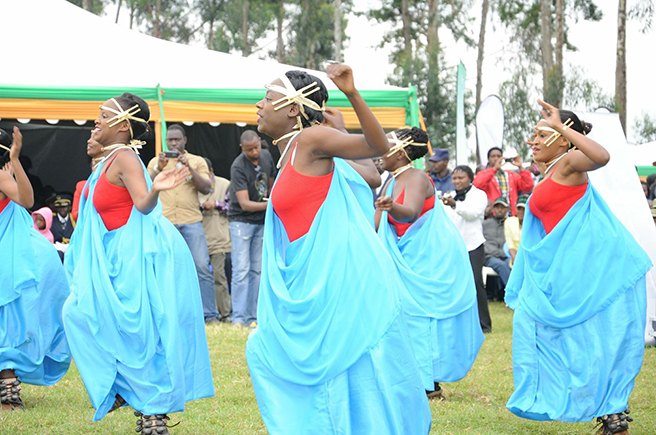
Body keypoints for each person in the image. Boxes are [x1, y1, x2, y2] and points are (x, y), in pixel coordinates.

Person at [246, 65, 431, 434]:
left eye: (268, 98)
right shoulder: (290, 155)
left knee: (340, 365)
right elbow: (369, 176)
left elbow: (377, 150)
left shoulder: (312, 140)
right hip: (307, 280)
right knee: (277, 356)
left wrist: (352, 93)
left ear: (294, 109)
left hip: (333, 280)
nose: (259, 105)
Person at [63, 93, 214, 432]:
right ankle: (123, 387)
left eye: (104, 115)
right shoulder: (108, 160)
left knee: (142, 330)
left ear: (123, 124)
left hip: (139, 253)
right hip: (118, 254)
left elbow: (143, 206)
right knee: (79, 313)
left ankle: (151, 410)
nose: (97, 120)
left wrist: (157, 188)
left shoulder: (126, 158)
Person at [505, 100, 651, 435]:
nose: (533, 140)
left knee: (595, 340)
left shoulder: (571, 163)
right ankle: (607, 412)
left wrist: (561, 126)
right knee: (568, 337)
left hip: (597, 270)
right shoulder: (551, 172)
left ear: (563, 139)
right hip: (569, 271)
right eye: (535, 134)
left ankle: (614, 416)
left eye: (543, 134)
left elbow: (601, 157)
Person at [375, 127, 484, 399]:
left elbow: (409, 213)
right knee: (400, 316)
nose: (379, 149)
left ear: (400, 152)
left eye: (385, 144)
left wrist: (390, 207)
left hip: (426, 258)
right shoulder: (389, 180)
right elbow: (378, 224)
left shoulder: (417, 178)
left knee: (419, 319)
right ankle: (407, 377)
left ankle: (428, 385)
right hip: (402, 256)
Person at [0, 127, 70, 411]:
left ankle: (8, 388)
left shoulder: (2, 175)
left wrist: (15, 162)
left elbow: (27, 201)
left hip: (10, 253)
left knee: (9, 319)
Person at [147, 124, 219, 323]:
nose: (173, 143)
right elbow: (144, 186)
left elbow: (206, 188)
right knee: (164, 268)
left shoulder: (196, 161)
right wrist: (157, 169)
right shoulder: (156, 161)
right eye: (170, 140)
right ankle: (167, 314)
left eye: (177, 140)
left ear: (185, 140)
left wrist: (189, 168)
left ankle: (209, 314)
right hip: (165, 222)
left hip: (191, 221)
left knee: (201, 267)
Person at [227, 130, 276, 328]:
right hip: (241, 221)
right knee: (241, 270)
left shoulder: (266, 156)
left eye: (256, 147)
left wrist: (272, 198)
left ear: (260, 143)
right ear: (242, 148)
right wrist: (273, 204)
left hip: (261, 221)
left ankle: (254, 316)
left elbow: (272, 182)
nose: (254, 152)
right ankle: (238, 317)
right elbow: (245, 203)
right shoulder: (238, 166)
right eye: (249, 150)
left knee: (257, 270)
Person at [444, 164, 491, 333]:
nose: (457, 181)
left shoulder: (479, 195)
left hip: (473, 245)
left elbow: (472, 214)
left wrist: (454, 205)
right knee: (455, 283)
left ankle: (484, 324)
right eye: (454, 178)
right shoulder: (450, 196)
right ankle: (460, 322)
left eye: (461, 178)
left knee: (476, 283)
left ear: (470, 179)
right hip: (455, 246)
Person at [199, 157, 232, 323]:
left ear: (210, 171)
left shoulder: (224, 184)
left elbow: (233, 208)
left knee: (220, 278)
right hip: (198, 241)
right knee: (200, 278)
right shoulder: (192, 183)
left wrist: (216, 204)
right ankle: (205, 313)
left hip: (219, 239)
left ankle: (224, 314)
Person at [474, 147, 534, 216]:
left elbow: (528, 186)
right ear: (488, 159)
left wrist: (521, 167)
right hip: (493, 217)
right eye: (493, 156)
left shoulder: (511, 175)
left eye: (499, 156)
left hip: (511, 216)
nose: (496, 159)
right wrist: (494, 169)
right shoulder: (483, 174)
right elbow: (477, 185)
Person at [482, 197, 512, 301]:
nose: (499, 210)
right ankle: (512, 295)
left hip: (506, 256)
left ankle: (504, 294)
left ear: (507, 210)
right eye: (497, 207)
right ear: (493, 209)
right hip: (489, 257)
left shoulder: (510, 224)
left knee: (512, 263)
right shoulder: (485, 224)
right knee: (502, 265)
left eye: (502, 208)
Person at [504, 195, 527, 266]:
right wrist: (515, 258)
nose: (521, 212)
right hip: (514, 257)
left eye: (524, 209)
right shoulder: (509, 221)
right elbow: (509, 243)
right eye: (519, 208)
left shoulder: (533, 224)